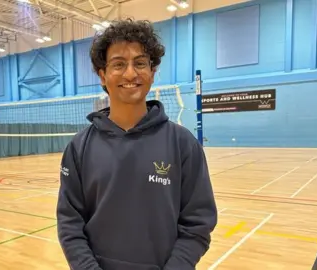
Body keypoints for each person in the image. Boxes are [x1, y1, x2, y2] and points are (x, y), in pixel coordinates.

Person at [56, 18, 217, 270]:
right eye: (118, 64)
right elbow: (70, 223)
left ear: (152, 73)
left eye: (140, 63)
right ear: (102, 75)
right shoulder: (78, 148)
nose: (130, 73)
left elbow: (197, 224)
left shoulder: (183, 143)